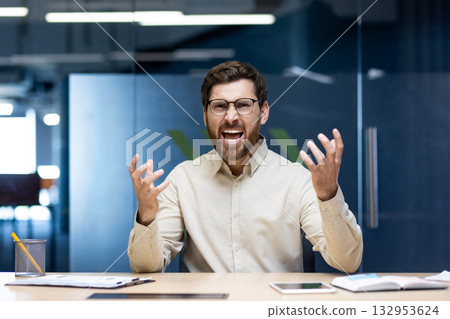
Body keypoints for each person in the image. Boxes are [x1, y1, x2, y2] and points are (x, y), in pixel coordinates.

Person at [127, 61, 363, 273]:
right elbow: (147, 267)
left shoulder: (297, 180)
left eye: (243, 105)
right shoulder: (183, 179)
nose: (231, 117)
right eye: (219, 106)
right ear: (205, 114)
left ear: (264, 112)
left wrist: (328, 196)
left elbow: (347, 261)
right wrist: (147, 216)